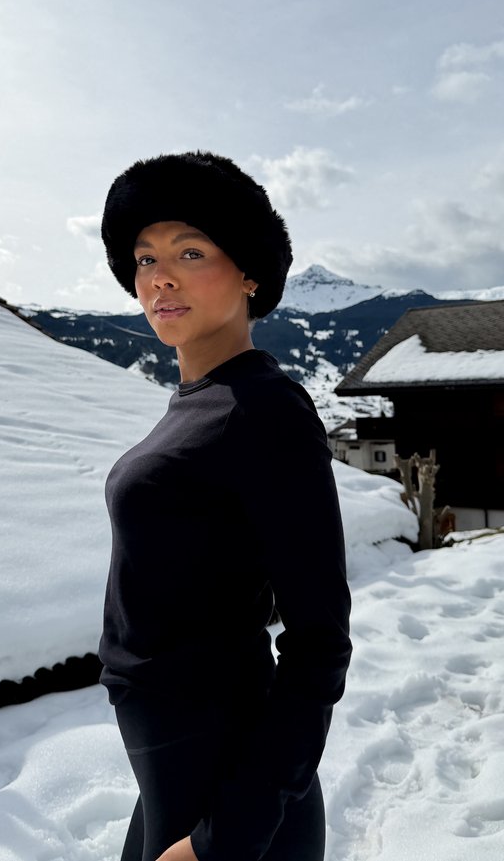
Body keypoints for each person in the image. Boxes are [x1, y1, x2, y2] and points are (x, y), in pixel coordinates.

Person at [98, 151, 352, 861]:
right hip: (175, 770)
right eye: (144, 258)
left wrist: (221, 839)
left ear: (249, 274)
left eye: (189, 249)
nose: (160, 276)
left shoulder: (266, 410)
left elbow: (319, 646)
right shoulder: (200, 403)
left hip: (230, 793)